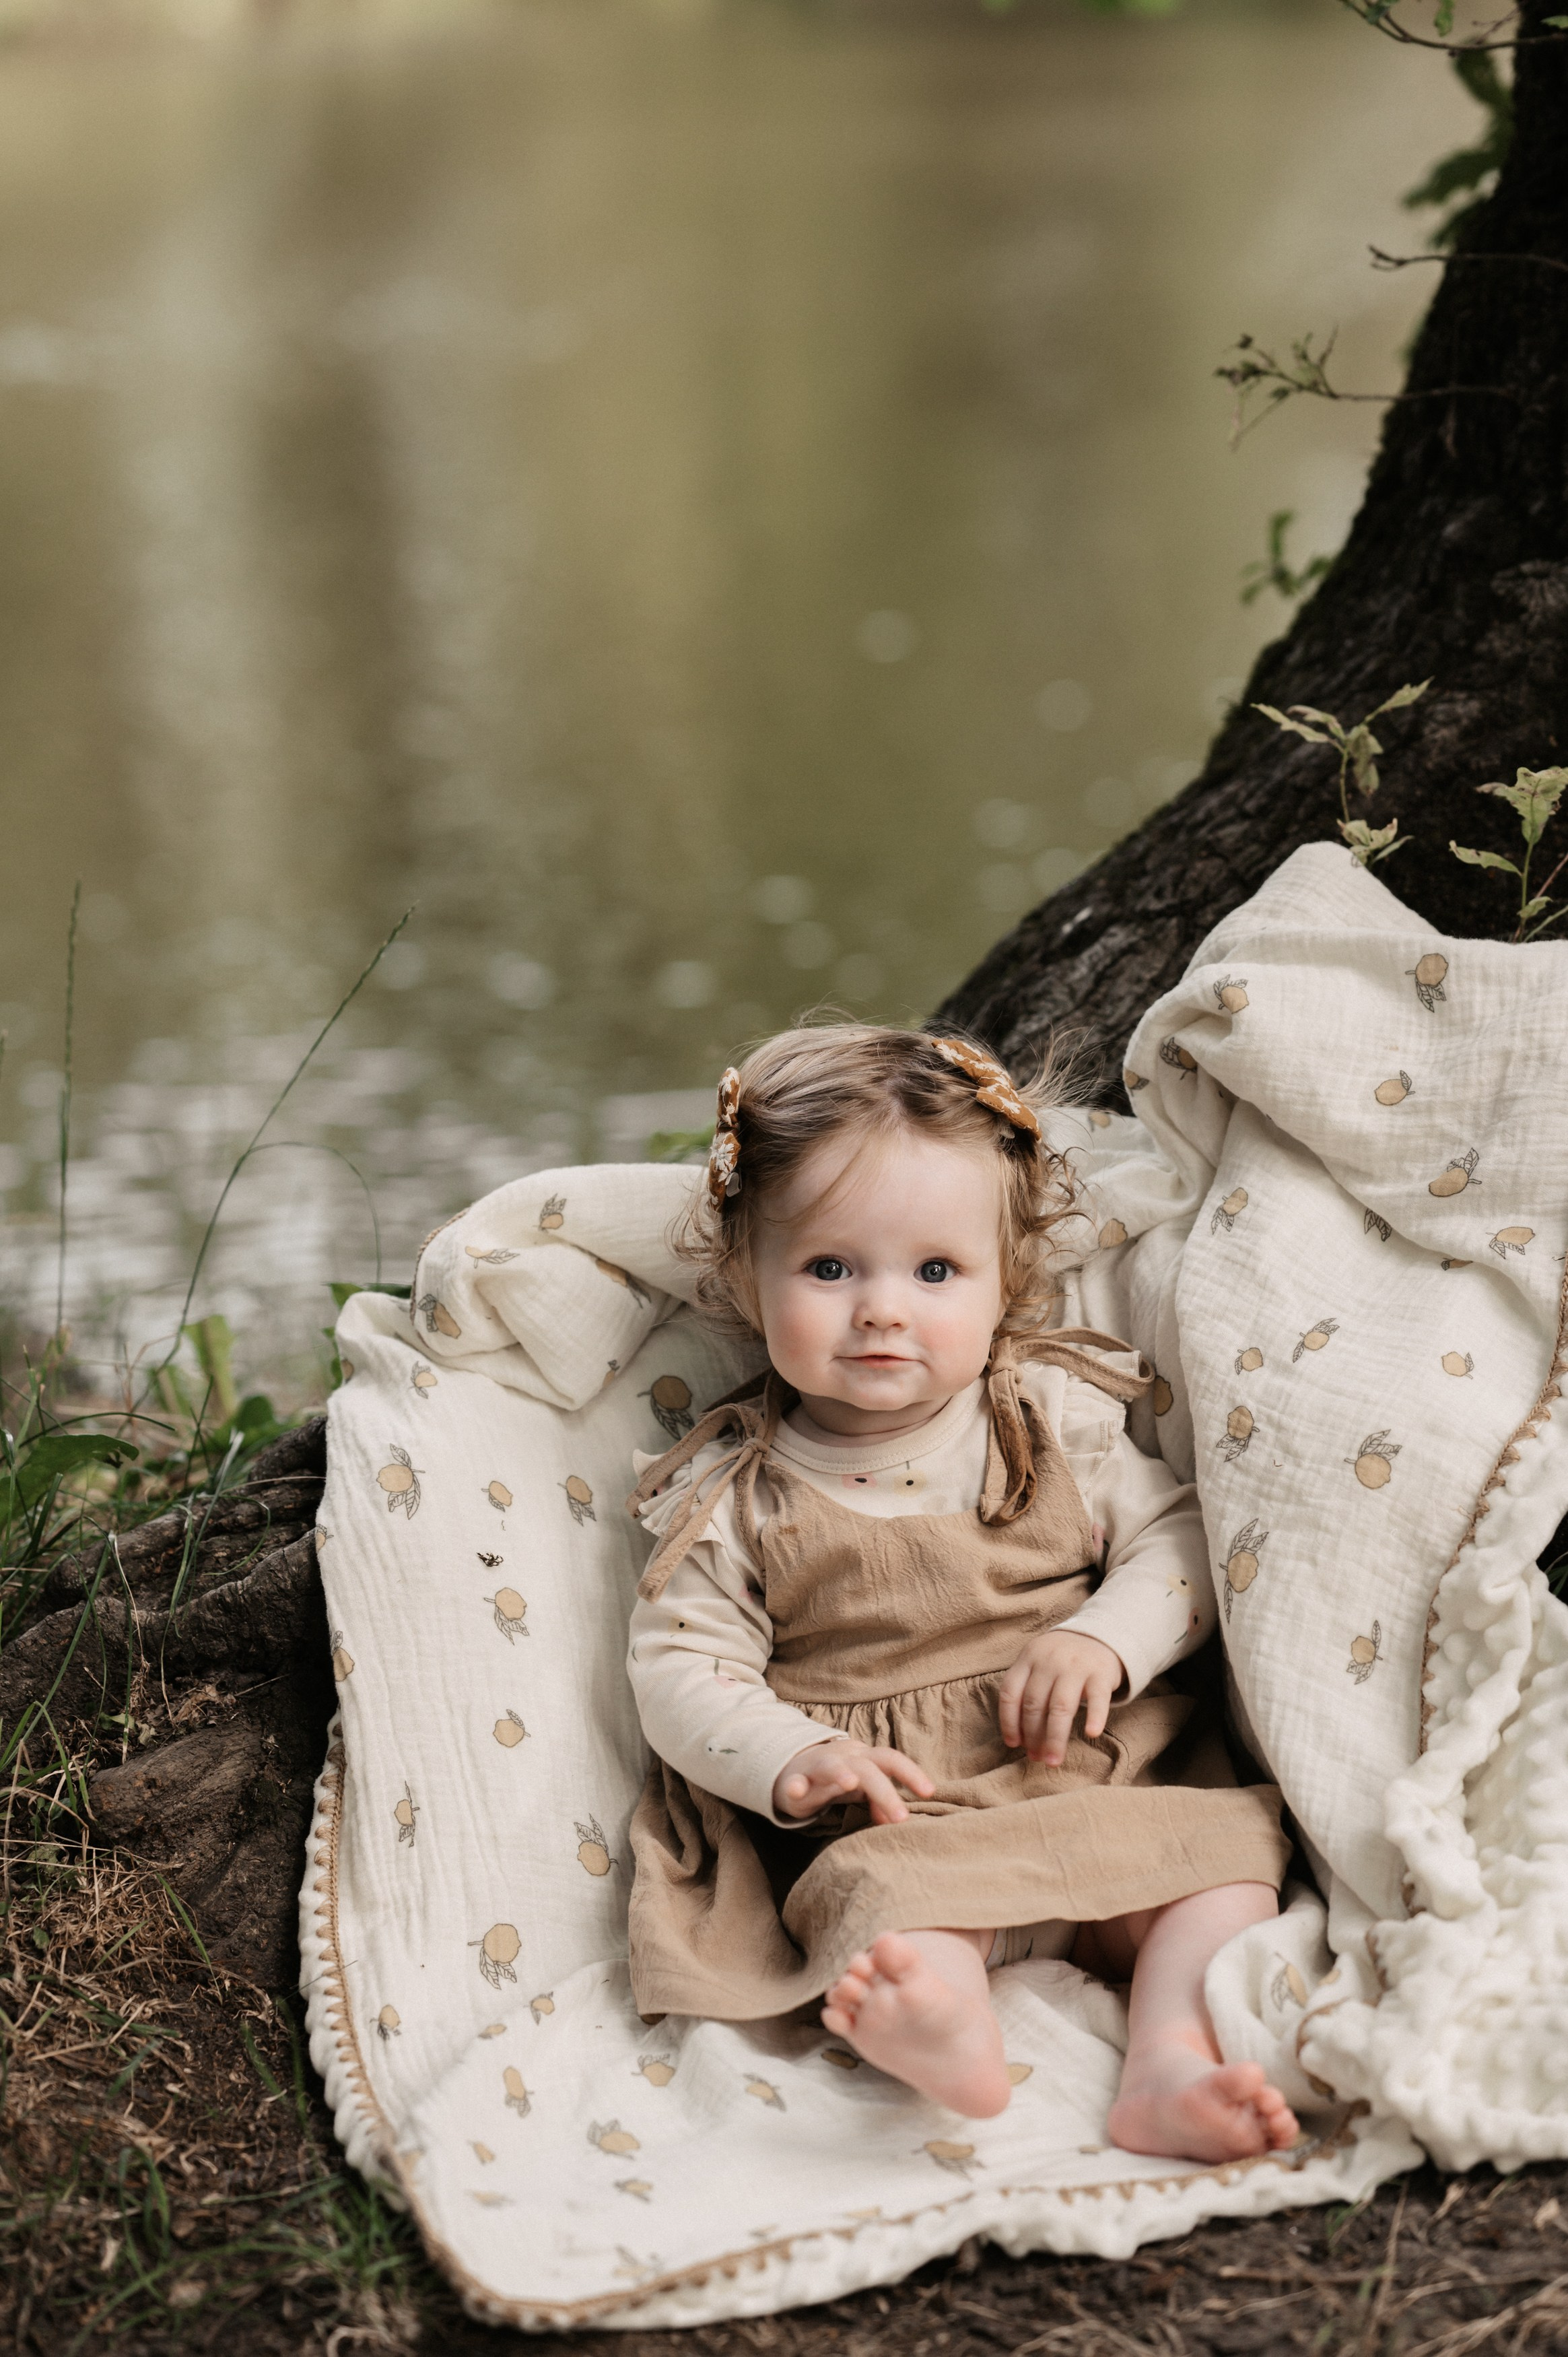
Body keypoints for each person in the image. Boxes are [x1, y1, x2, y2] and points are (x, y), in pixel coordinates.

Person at [623, 1024, 1297, 2160]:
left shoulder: (1045, 1419)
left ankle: (1168, 2062)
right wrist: (793, 1757)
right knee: (883, 1909)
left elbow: (1181, 1544)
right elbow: (680, 1666)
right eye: (829, 1269)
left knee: (1225, 1870)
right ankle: (941, 2020)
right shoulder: (737, 1494)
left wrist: (1104, 1639)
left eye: (934, 1272)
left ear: (1004, 1282)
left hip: (1092, 1774)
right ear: (745, 1276)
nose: (883, 1309)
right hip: (904, 1809)